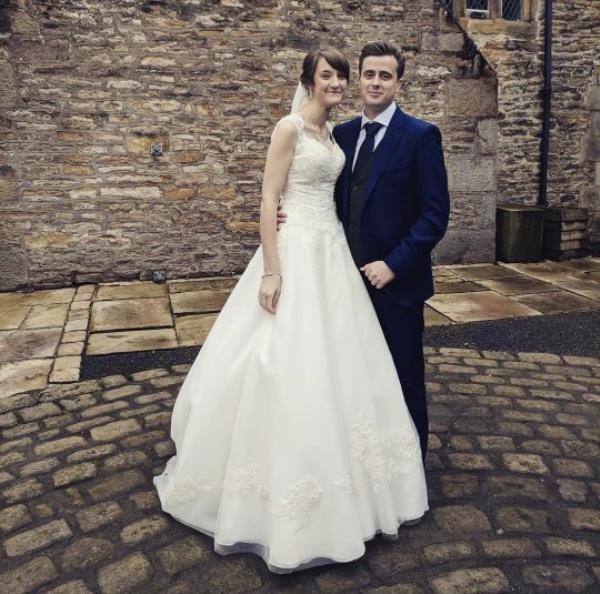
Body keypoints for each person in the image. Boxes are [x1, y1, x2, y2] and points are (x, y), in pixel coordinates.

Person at [153, 48, 428, 575]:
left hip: (333, 256)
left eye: (342, 77)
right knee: (280, 360)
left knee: (344, 364)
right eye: (329, 76)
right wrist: (272, 270)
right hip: (296, 252)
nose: (339, 84)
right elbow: (268, 198)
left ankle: (358, 482)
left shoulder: (335, 135)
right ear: (308, 80)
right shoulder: (289, 128)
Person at [279, 41, 450, 468]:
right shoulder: (344, 134)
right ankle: (365, 466)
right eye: (369, 74)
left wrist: (393, 264)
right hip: (340, 278)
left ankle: (411, 466)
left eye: (385, 75)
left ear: (398, 82)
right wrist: (288, 210)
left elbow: (434, 216)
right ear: (359, 78)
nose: (375, 83)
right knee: (353, 376)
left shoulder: (420, 136)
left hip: (396, 283)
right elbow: (323, 192)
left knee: (402, 375)